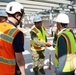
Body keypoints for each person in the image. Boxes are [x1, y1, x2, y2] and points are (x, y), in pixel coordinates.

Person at [0, 1, 26, 75]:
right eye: (21, 16)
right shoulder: (16, 33)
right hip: (8, 71)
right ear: (17, 16)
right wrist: (23, 73)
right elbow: (19, 59)